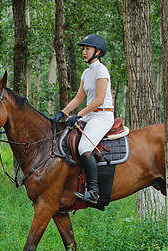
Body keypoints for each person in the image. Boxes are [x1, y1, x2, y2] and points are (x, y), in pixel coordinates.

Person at [53, 34, 114, 204]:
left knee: (84, 147)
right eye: (83, 49)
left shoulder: (102, 70)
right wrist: (63, 112)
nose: (84, 52)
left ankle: (94, 192)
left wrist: (78, 115)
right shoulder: (86, 72)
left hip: (102, 115)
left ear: (98, 51)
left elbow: (99, 100)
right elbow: (79, 98)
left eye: (87, 48)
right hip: (90, 115)